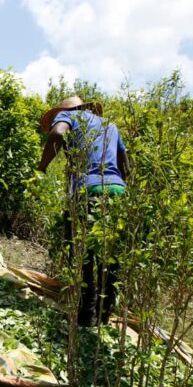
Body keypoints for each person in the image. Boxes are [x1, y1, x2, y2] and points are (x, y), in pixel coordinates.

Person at [36, 96, 130, 327]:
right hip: (118, 191)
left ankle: (86, 317)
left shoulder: (68, 116)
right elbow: (125, 165)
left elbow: (57, 134)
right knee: (111, 257)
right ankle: (104, 316)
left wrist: (42, 167)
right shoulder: (109, 125)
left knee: (80, 253)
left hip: (87, 190)